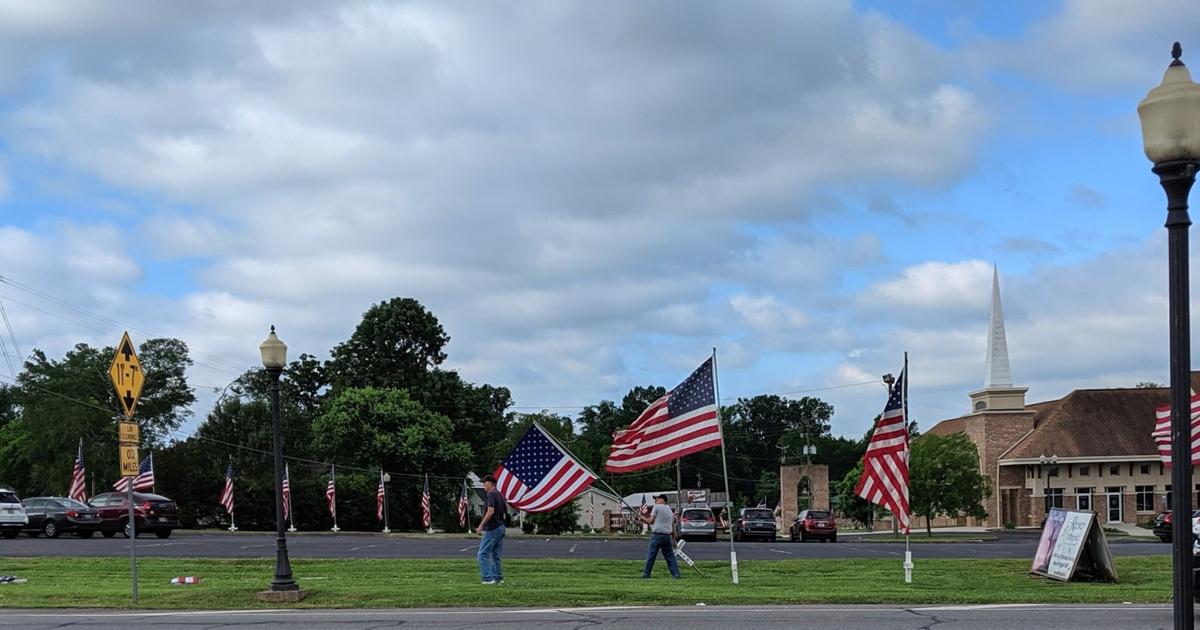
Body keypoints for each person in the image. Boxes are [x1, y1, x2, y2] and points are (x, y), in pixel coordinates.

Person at [639, 494, 680, 579]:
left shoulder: (657, 507)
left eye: (657, 499)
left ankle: (646, 574)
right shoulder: (669, 510)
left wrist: (643, 518)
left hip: (657, 536)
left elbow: (651, 521)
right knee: (670, 556)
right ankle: (676, 574)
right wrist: (674, 540)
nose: (655, 501)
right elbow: (672, 525)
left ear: (662, 500)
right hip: (667, 537)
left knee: (651, 556)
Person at [475, 474, 507, 585]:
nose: (483, 485)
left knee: (482, 554)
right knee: (495, 555)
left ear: (490, 483)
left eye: (485, 483)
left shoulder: (491, 494)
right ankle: (498, 578)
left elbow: (490, 511)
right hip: (500, 526)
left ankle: (488, 578)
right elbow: (505, 512)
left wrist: (481, 526)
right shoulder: (500, 495)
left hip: (493, 528)